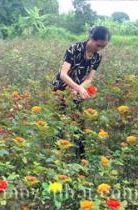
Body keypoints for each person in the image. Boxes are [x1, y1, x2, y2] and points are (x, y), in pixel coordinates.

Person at [52, 26, 111, 159]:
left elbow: (89, 78)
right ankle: (56, 157)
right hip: (61, 89)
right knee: (59, 123)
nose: (99, 48)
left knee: (79, 124)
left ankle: (81, 159)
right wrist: (77, 88)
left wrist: (79, 89)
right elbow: (63, 74)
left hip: (77, 91)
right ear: (92, 38)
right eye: (98, 45)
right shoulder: (74, 48)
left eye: (103, 47)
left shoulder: (97, 57)